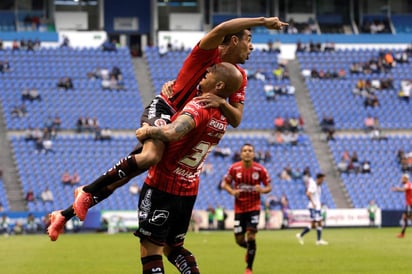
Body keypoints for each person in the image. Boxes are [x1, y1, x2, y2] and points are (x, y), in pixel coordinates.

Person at [47, 16, 288, 239]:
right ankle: (87, 193)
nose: (252, 47)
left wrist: (219, 103)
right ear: (234, 40)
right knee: (151, 156)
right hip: (166, 109)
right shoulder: (208, 52)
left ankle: (64, 214)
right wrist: (264, 21)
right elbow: (222, 29)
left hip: (184, 124)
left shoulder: (240, 78)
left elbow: (236, 119)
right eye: (249, 39)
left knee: (129, 171)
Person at [132, 62, 243, 274]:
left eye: (209, 73)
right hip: (188, 189)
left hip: (163, 186)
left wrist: (146, 131)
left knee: (151, 249)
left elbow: (172, 132)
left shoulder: (198, 106)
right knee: (174, 248)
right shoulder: (222, 117)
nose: (204, 73)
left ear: (218, 84)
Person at [221, 143, 272, 274]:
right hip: (239, 209)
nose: (247, 152)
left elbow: (269, 187)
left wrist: (263, 189)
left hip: (254, 207)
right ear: (241, 154)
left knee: (251, 236)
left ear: (254, 154)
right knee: (239, 239)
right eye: (245, 150)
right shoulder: (234, 168)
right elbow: (225, 184)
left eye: (250, 150)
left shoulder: (260, 170)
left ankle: (249, 268)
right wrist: (232, 192)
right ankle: (249, 250)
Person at [296, 173, 328, 245]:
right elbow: (308, 193)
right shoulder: (313, 185)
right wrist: (313, 203)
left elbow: (316, 196)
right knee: (319, 222)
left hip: (317, 207)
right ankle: (318, 240)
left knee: (313, 225)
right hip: (314, 207)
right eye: (322, 179)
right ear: (319, 179)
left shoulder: (318, 186)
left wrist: (318, 203)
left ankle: (300, 235)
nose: (323, 181)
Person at [391, 174, 412, 238]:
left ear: (406, 179)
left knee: (409, 218)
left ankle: (402, 234)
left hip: (410, 204)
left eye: (403, 178)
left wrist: (396, 189)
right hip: (409, 204)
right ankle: (402, 234)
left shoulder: (408, 184)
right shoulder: (408, 184)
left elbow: (404, 189)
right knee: (404, 217)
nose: (401, 180)